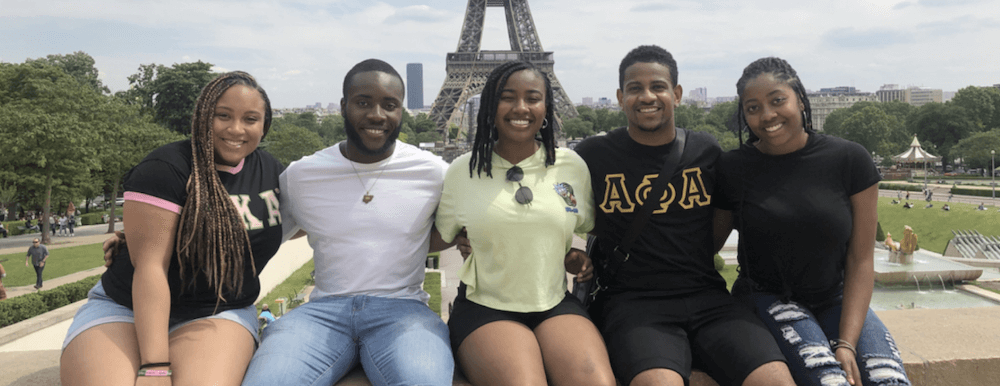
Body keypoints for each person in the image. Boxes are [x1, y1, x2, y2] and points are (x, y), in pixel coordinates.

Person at [572, 45, 794, 386]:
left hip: (709, 299)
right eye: (635, 88)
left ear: (676, 94)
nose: (647, 96)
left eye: (658, 86)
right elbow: (543, 201)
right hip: (634, 305)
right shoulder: (591, 156)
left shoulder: (705, 150)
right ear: (620, 97)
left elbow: (729, 216)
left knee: (776, 380)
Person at [60, 71, 284, 386]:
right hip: (126, 306)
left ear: (264, 125)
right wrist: (154, 368)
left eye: (250, 119)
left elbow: (312, 222)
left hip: (215, 313)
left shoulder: (273, 172)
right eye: (223, 116)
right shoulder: (165, 167)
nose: (236, 129)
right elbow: (150, 266)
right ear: (202, 117)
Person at [241, 59, 454, 386]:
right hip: (323, 314)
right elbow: (263, 235)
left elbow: (462, 223)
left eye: (389, 105)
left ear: (401, 112)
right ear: (343, 106)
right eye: (363, 103)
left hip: (403, 311)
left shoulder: (434, 172)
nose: (376, 114)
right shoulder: (302, 175)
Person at [716, 57, 910, 386]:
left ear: (800, 100)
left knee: (887, 380)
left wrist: (847, 343)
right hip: (767, 296)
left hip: (836, 297)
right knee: (828, 380)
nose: (767, 116)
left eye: (778, 101)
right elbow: (707, 244)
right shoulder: (734, 168)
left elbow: (861, 259)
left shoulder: (850, 160)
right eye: (753, 108)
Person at [435, 61, 615, 386]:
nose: (521, 107)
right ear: (490, 105)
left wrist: (571, 255)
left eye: (532, 97)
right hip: (486, 306)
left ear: (547, 107)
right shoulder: (463, 171)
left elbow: (585, 224)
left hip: (554, 301)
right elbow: (443, 234)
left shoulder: (571, 166)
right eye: (508, 97)